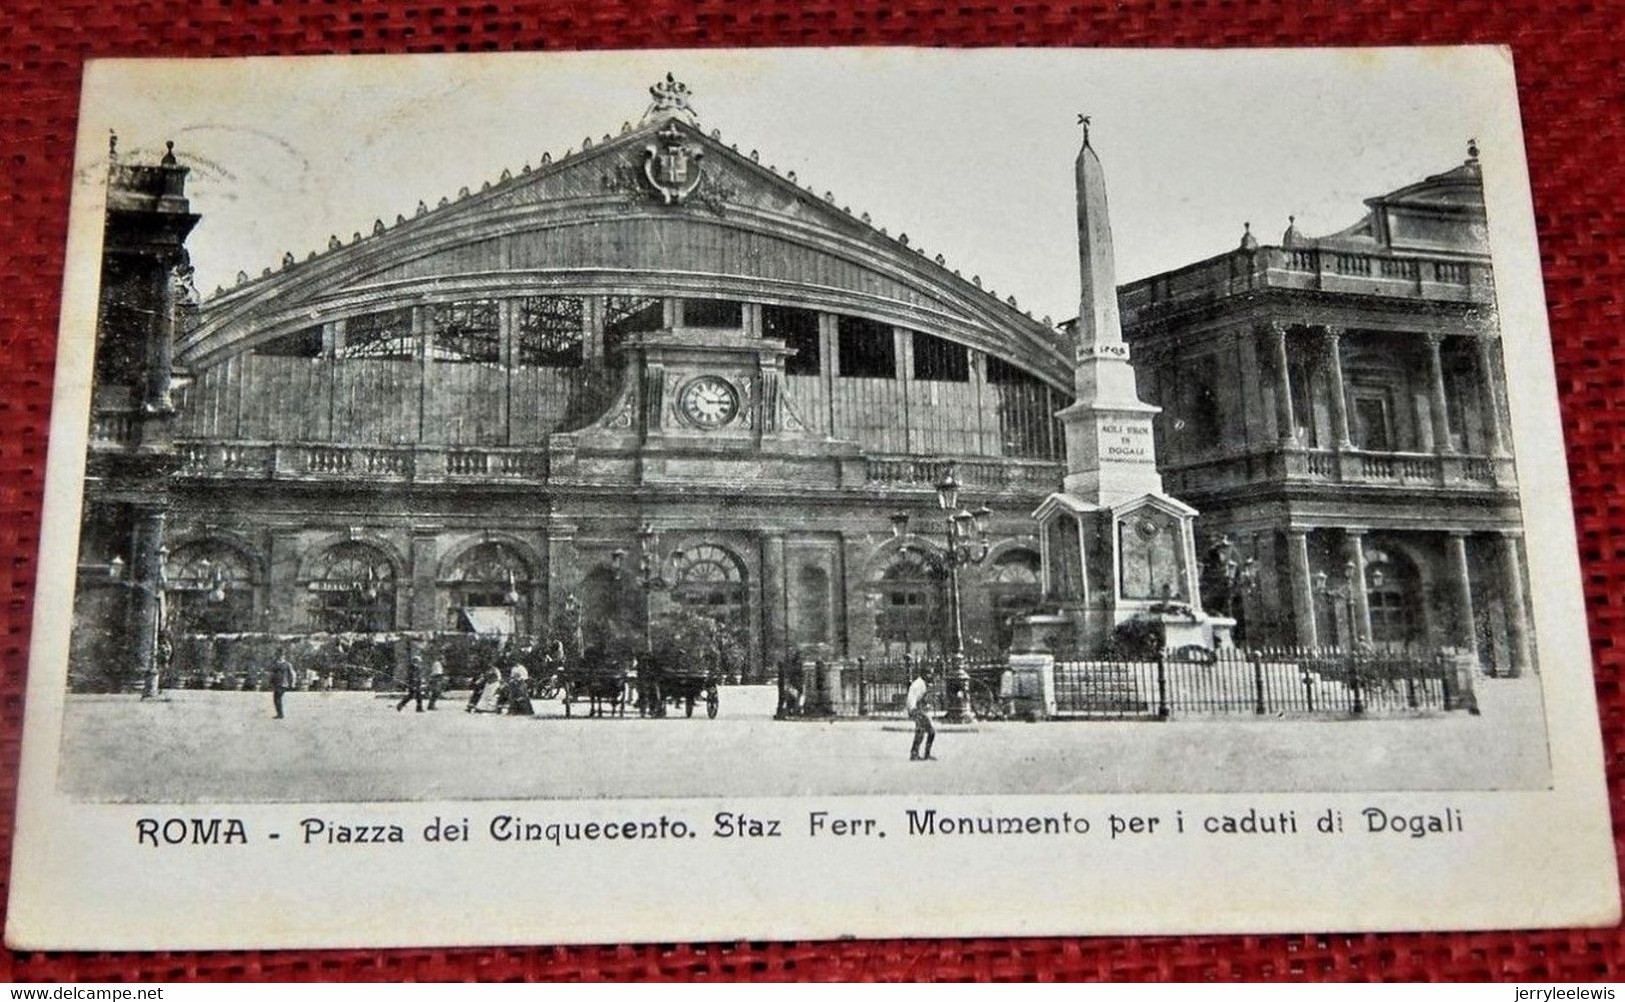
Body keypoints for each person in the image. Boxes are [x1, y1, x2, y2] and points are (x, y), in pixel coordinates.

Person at [906, 661, 935, 761]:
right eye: (928, 673)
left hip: (915, 709)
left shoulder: (921, 683)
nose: (930, 675)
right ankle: (922, 754)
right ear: (924, 674)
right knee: (930, 731)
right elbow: (915, 700)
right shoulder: (920, 684)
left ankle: (915, 754)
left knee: (921, 731)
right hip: (914, 709)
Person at [271, 649, 296, 720]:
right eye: (279, 655)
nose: (280, 657)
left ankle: (280, 714)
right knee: (276, 699)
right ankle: (279, 713)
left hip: (283, 683)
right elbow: (272, 673)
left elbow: (292, 674)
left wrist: (293, 683)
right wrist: (270, 681)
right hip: (276, 683)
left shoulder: (287, 664)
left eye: (281, 655)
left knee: (278, 697)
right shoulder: (275, 664)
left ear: (284, 656)